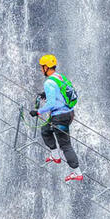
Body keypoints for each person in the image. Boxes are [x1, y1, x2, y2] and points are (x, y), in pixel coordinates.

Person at [32, 54, 83, 182]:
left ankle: (77, 172)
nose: (41, 69)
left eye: (42, 67)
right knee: (45, 131)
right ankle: (55, 155)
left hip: (59, 117)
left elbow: (51, 104)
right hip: (68, 113)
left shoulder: (49, 82)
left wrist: (38, 112)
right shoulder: (59, 77)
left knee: (65, 145)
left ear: (46, 67)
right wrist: (46, 94)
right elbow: (63, 91)